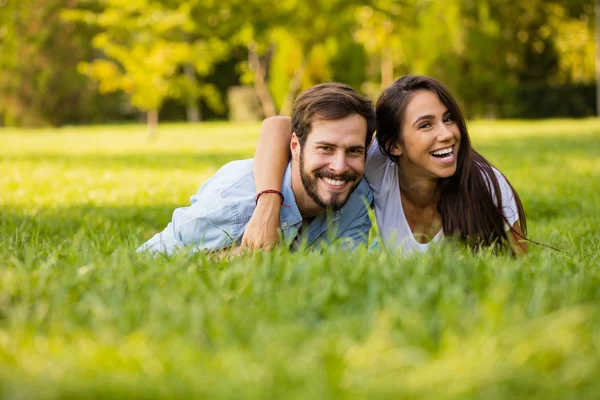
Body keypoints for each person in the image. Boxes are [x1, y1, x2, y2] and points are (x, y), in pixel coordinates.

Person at [242, 75, 528, 254]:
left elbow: (522, 269)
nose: (447, 134)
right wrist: (268, 203)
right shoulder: (377, 161)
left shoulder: (486, 185)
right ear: (394, 146)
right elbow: (277, 127)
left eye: (448, 118)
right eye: (426, 124)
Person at [137, 82, 377, 255]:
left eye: (354, 151)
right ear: (295, 145)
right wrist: (234, 259)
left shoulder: (358, 195)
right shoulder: (233, 203)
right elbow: (150, 260)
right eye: (325, 148)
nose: (339, 167)